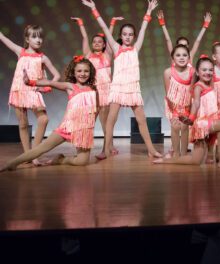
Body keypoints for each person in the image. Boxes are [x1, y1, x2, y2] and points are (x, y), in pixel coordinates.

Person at [82, 0, 162, 158]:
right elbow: (104, 28)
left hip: (133, 88)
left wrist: (148, 11)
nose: (127, 37)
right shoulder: (116, 47)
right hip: (118, 87)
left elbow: (144, 28)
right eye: (124, 34)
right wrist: (94, 9)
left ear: (134, 37)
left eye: (130, 34)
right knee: (111, 120)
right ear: (120, 36)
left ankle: (151, 150)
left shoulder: (136, 47)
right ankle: (106, 150)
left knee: (142, 120)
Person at [1, 57, 98, 172]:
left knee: (82, 162)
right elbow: (50, 83)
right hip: (67, 127)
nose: (83, 74)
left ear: (90, 72)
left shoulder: (93, 89)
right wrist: (31, 82)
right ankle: (13, 163)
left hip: (83, 130)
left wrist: (89, 128)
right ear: (74, 72)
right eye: (79, 71)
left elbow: (96, 109)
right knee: (42, 148)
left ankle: (61, 160)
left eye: (86, 71)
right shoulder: (70, 87)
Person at [153, 56, 220, 168]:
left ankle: (165, 161)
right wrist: (191, 118)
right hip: (202, 123)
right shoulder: (198, 86)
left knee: (196, 160)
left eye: (210, 70)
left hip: (207, 122)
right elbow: (196, 103)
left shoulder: (210, 85)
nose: (208, 72)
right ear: (197, 73)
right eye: (204, 70)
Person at [0, 25, 60, 164]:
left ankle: (34, 154)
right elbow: (3, 37)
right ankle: (28, 156)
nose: (38, 40)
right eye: (34, 36)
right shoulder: (20, 52)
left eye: (40, 37)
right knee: (23, 124)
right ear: (27, 39)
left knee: (43, 119)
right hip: (19, 91)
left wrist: (45, 88)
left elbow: (56, 75)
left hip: (33, 90)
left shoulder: (43, 57)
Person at [70, 15, 123, 159]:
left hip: (105, 92)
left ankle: (106, 150)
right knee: (88, 121)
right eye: (95, 42)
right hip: (92, 92)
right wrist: (81, 24)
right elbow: (85, 38)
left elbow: (108, 36)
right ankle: (83, 149)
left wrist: (112, 23)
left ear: (105, 44)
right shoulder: (88, 55)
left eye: (100, 42)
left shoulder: (107, 55)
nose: (97, 43)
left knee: (106, 124)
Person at [163, 44, 195, 158]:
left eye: (184, 55)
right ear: (173, 58)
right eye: (178, 55)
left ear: (189, 58)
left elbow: (192, 91)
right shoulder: (168, 72)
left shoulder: (193, 72)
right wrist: (175, 110)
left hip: (187, 103)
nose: (181, 57)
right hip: (173, 104)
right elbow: (168, 93)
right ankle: (176, 153)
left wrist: (190, 109)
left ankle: (184, 153)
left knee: (185, 127)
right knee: (175, 127)